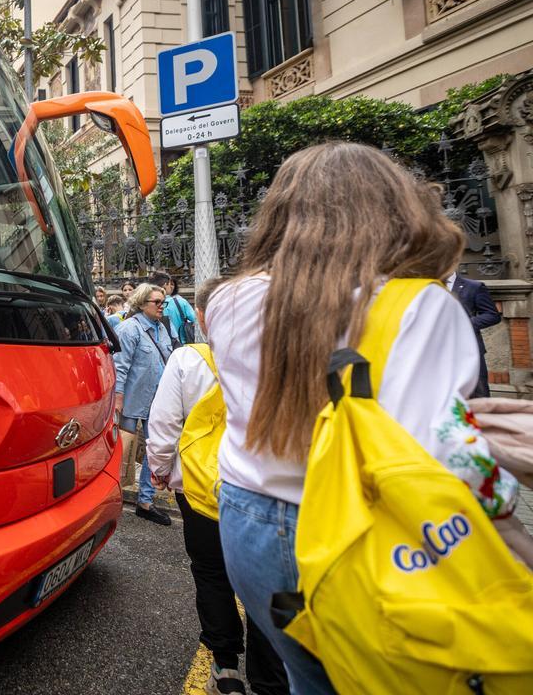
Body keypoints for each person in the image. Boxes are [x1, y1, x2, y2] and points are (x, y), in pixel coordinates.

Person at [205, 142, 519, 694]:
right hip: (362, 528)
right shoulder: (417, 305)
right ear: (394, 208)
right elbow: (436, 458)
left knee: (306, 676)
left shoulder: (228, 300)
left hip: (248, 519)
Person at [146, 276, 289, 695]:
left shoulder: (187, 360)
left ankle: (225, 668)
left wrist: (158, 469)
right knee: (266, 584)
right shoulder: (279, 362)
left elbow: (164, 425)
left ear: (205, 318)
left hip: (199, 489)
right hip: (261, 490)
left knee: (210, 574)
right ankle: (269, 680)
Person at [112, 283, 175, 526]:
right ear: (141, 303)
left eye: (163, 302)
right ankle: (112, 494)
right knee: (123, 449)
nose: (161, 306)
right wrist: (118, 398)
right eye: (157, 302)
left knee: (152, 449)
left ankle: (145, 501)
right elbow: (120, 366)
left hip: (157, 400)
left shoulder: (162, 328)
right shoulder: (129, 329)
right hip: (131, 400)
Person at [446, 269, 501, 397]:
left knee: (478, 394)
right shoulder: (429, 288)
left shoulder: (474, 286)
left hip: (469, 349)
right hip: (439, 351)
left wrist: (464, 323)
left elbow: (492, 315)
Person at [151, 271, 198, 345]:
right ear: (166, 284)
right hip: (180, 345)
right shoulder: (180, 302)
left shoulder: (148, 303)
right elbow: (196, 320)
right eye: (170, 284)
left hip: (157, 347)